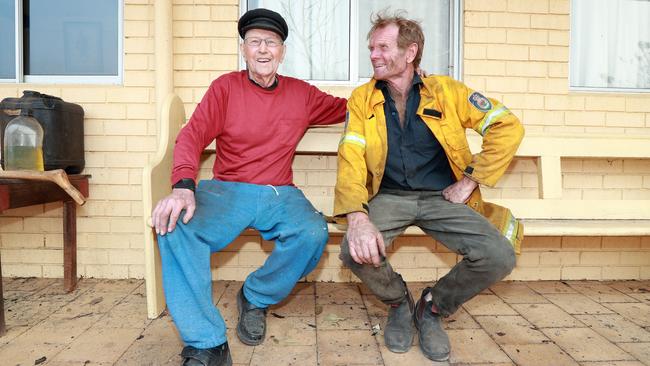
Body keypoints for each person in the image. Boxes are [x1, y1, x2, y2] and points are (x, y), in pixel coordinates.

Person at [151, 8, 347, 366]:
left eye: (270, 42)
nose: (262, 50)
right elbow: (191, 136)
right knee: (173, 223)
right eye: (254, 41)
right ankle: (207, 342)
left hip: (278, 193)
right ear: (243, 48)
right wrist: (182, 185)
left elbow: (352, 108)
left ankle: (255, 296)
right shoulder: (225, 88)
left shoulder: (302, 95)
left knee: (313, 232)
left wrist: (392, 86)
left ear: (282, 51)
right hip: (228, 189)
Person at [334, 12, 525, 362]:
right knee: (353, 250)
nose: (373, 55)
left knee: (499, 255)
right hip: (389, 196)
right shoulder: (361, 99)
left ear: (410, 53)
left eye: (382, 47)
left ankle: (432, 308)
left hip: (443, 197)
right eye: (371, 48)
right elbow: (350, 158)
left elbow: (507, 125)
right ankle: (398, 304)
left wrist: (470, 180)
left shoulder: (447, 91)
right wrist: (358, 218)